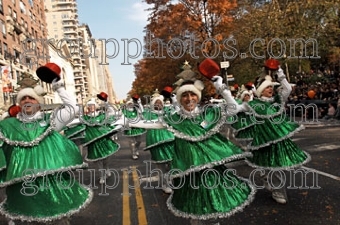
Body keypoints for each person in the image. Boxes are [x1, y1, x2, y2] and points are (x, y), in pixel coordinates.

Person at [130, 78, 255, 225]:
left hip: (211, 172)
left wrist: (220, 87)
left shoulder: (208, 114)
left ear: (198, 96)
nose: (189, 99)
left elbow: (234, 108)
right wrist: (125, 122)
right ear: (179, 99)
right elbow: (151, 124)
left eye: (193, 94)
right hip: (188, 173)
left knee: (214, 202)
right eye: (185, 95)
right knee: (194, 209)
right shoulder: (174, 119)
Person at [0, 63, 93, 225]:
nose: (27, 100)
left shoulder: (51, 121)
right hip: (25, 189)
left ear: (39, 103)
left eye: (31, 98)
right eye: (23, 98)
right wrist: (5, 114)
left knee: (59, 219)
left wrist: (58, 86)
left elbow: (72, 108)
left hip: (54, 185)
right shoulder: (9, 126)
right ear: (18, 104)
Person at [212, 66, 311, 204]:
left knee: (277, 165)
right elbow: (234, 109)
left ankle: (277, 189)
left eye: (271, 87)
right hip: (262, 141)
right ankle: (270, 181)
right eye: (267, 87)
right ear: (260, 90)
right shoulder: (253, 104)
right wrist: (222, 88)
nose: (270, 89)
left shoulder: (277, 100)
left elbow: (287, 89)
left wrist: (279, 72)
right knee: (266, 165)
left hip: (278, 140)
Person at [80, 96, 122, 184]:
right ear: (87, 107)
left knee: (106, 158)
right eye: (89, 106)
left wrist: (106, 102)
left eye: (93, 105)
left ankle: (106, 168)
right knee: (97, 160)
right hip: (93, 143)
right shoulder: (85, 118)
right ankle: (102, 175)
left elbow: (112, 112)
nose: (91, 107)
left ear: (96, 106)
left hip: (104, 140)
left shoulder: (102, 115)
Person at [141, 89, 175, 194]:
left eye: (160, 102)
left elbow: (177, 110)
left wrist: (172, 97)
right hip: (156, 142)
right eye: (156, 102)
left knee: (171, 163)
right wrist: (138, 103)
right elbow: (140, 116)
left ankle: (169, 180)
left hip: (169, 141)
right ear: (152, 104)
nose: (159, 104)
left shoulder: (168, 112)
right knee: (161, 165)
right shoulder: (148, 114)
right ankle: (163, 184)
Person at [121, 95, 146, 160]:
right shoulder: (124, 111)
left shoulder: (136, 109)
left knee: (139, 141)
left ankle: (136, 149)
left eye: (131, 103)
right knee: (132, 143)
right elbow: (123, 118)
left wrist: (139, 103)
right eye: (129, 103)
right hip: (130, 128)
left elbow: (142, 111)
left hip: (137, 128)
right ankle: (133, 154)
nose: (130, 105)